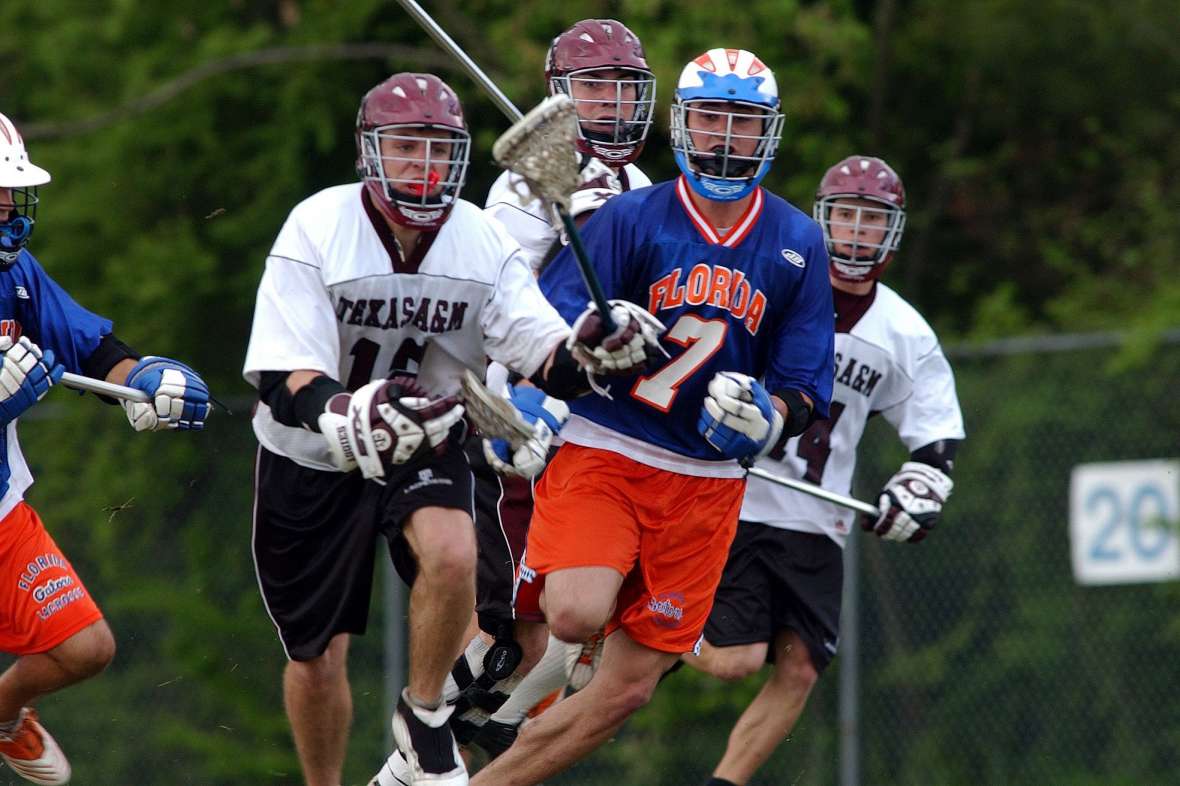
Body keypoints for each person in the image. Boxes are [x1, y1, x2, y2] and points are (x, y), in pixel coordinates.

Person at [243, 73, 659, 786]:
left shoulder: (479, 240)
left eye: (439, 149)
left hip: (426, 433)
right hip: (314, 452)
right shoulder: (317, 226)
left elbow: (541, 353)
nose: (424, 166)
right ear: (368, 153)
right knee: (318, 657)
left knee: (453, 553)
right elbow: (284, 377)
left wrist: (593, 351)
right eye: (406, 147)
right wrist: (348, 414)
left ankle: (424, 711)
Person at [467, 48, 836, 786]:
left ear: (770, 131)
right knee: (575, 613)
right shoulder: (631, 217)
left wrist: (769, 419)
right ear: (682, 123)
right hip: (609, 446)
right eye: (711, 117)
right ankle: (508, 680)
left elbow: (804, 386)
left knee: (628, 690)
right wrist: (551, 383)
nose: (725, 136)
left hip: (706, 482)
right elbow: (552, 328)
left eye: (743, 120)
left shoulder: (798, 242)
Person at [683, 155, 966, 786]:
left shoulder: (903, 331)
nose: (857, 232)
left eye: (872, 220)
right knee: (734, 660)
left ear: (893, 231)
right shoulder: (774, 288)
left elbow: (936, 435)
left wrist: (918, 486)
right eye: (846, 216)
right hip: (740, 496)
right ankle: (644, 619)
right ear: (822, 219)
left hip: (818, 518)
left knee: (802, 667)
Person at [442, 17, 660, 768]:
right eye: (594, 87)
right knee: (511, 633)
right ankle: (422, 745)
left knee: (570, 631)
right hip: (519, 422)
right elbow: (501, 303)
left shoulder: (641, 188)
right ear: (560, 97)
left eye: (623, 87)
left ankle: (470, 741)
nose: (611, 103)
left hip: (593, 431)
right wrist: (578, 216)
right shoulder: (519, 187)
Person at [0, 111, 211, 785]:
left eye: (10, 193)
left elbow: (90, 348)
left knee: (85, 647)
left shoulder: (16, 272)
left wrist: (142, 380)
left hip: (0, 513)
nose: (8, 209)